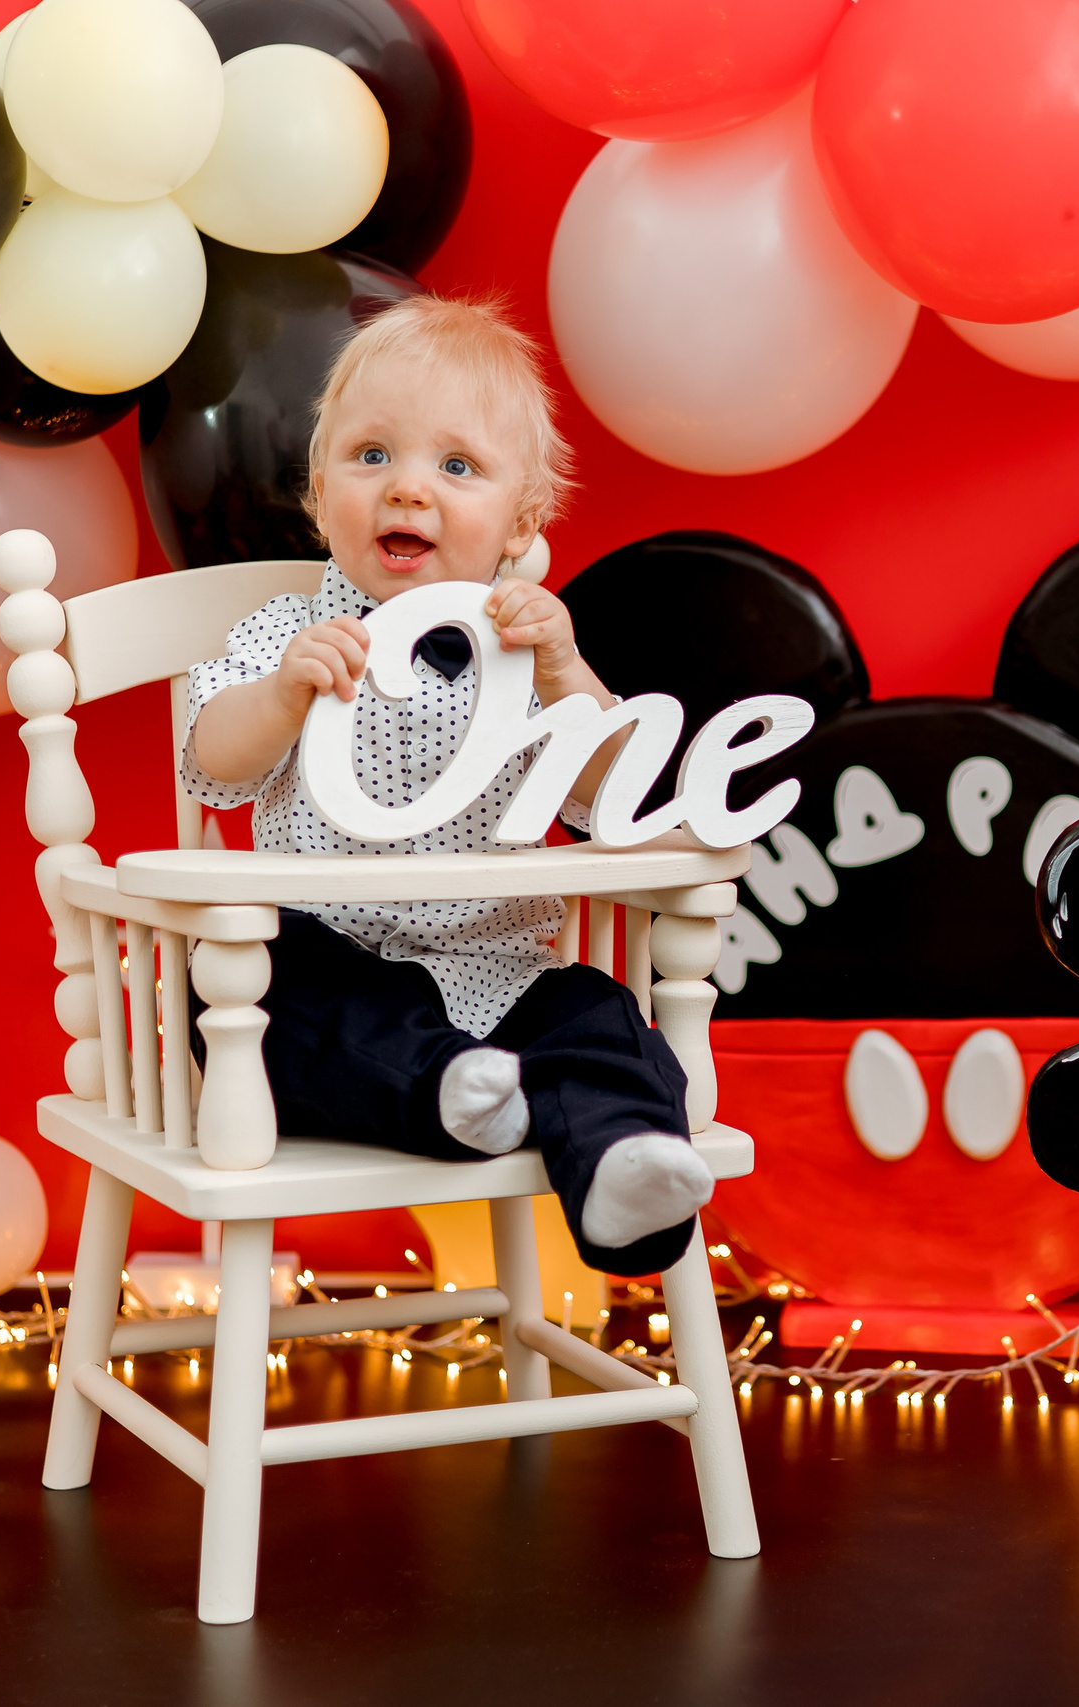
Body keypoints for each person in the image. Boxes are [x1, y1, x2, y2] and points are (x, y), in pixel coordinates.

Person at [182, 296, 713, 1276]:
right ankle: (451, 1091)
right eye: (372, 456)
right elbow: (214, 762)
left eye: (455, 467)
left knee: (601, 1018)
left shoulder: (526, 660)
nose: (407, 492)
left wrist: (564, 676)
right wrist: (283, 695)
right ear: (317, 495)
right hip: (328, 961)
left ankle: (624, 1168)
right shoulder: (287, 639)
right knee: (261, 1004)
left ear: (522, 524)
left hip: (500, 977)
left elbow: (612, 801)